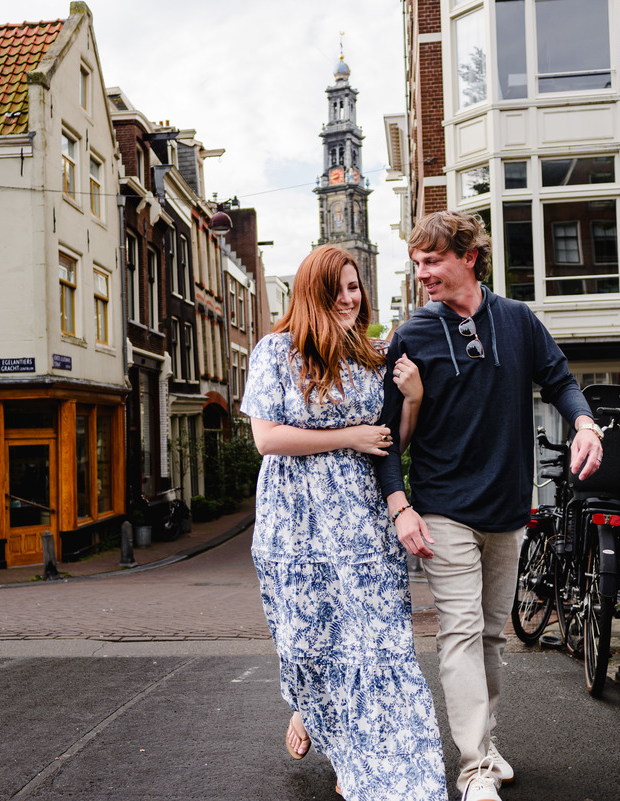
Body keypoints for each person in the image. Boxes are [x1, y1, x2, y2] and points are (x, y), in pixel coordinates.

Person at [376, 210, 604, 801]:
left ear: (468, 257)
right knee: (459, 631)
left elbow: (559, 379)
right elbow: (384, 437)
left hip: (507, 509)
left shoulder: (519, 321)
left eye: (433, 261)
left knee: (492, 637)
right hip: (442, 508)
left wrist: (585, 424)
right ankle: (474, 766)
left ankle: (488, 741)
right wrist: (400, 505)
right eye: (417, 264)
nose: (423, 274)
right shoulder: (413, 335)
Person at [242, 244, 446, 801]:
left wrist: (413, 401)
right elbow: (266, 438)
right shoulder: (276, 351)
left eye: (355, 287)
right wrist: (346, 437)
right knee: (308, 642)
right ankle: (312, 711)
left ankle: (362, 756)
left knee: (375, 643)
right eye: (338, 290)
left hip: (360, 523)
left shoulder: (372, 356)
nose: (349, 298)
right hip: (294, 523)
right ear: (312, 293)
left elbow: (390, 443)